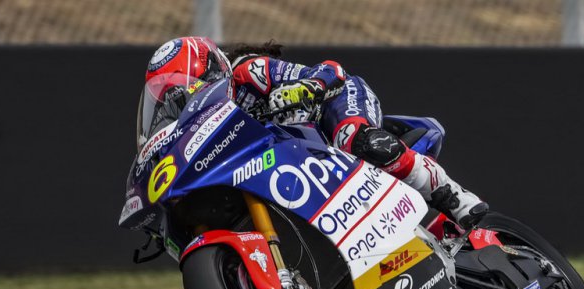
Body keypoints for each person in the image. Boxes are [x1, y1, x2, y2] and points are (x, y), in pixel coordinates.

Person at [145, 37, 488, 228]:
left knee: (356, 139)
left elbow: (331, 70)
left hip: (333, 107)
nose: (184, 99)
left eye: (184, 88)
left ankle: (453, 195)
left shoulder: (248, 71)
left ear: (209, 71)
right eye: (171, 97)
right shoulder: (206, 128)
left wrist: (305, 88)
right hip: (301, 158)